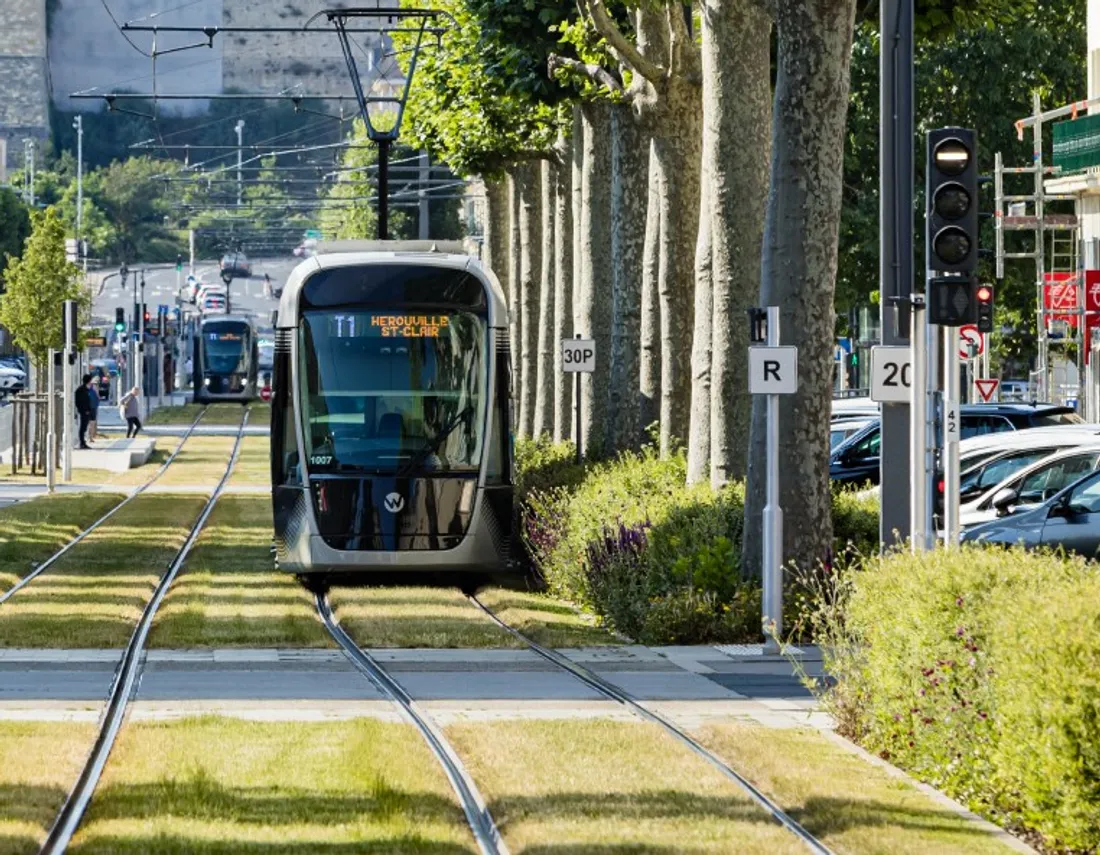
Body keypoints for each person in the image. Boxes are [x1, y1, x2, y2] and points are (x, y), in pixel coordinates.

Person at [75, 374, 93, 449]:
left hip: (86, 411)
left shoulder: (86, 389)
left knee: (84, 427)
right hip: (84, 411)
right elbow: (80, 402)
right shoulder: (81, 390)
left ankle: (83, 442)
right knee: (83, 427)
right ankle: (82, 443)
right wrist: (84, 410)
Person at [86, 373, 100, 442]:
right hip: (93, 408)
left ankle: (89, 437)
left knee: (89, 423)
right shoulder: (95, 387)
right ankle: (90, 437)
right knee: (92, 423)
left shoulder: (87, 386)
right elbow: (98, 397)